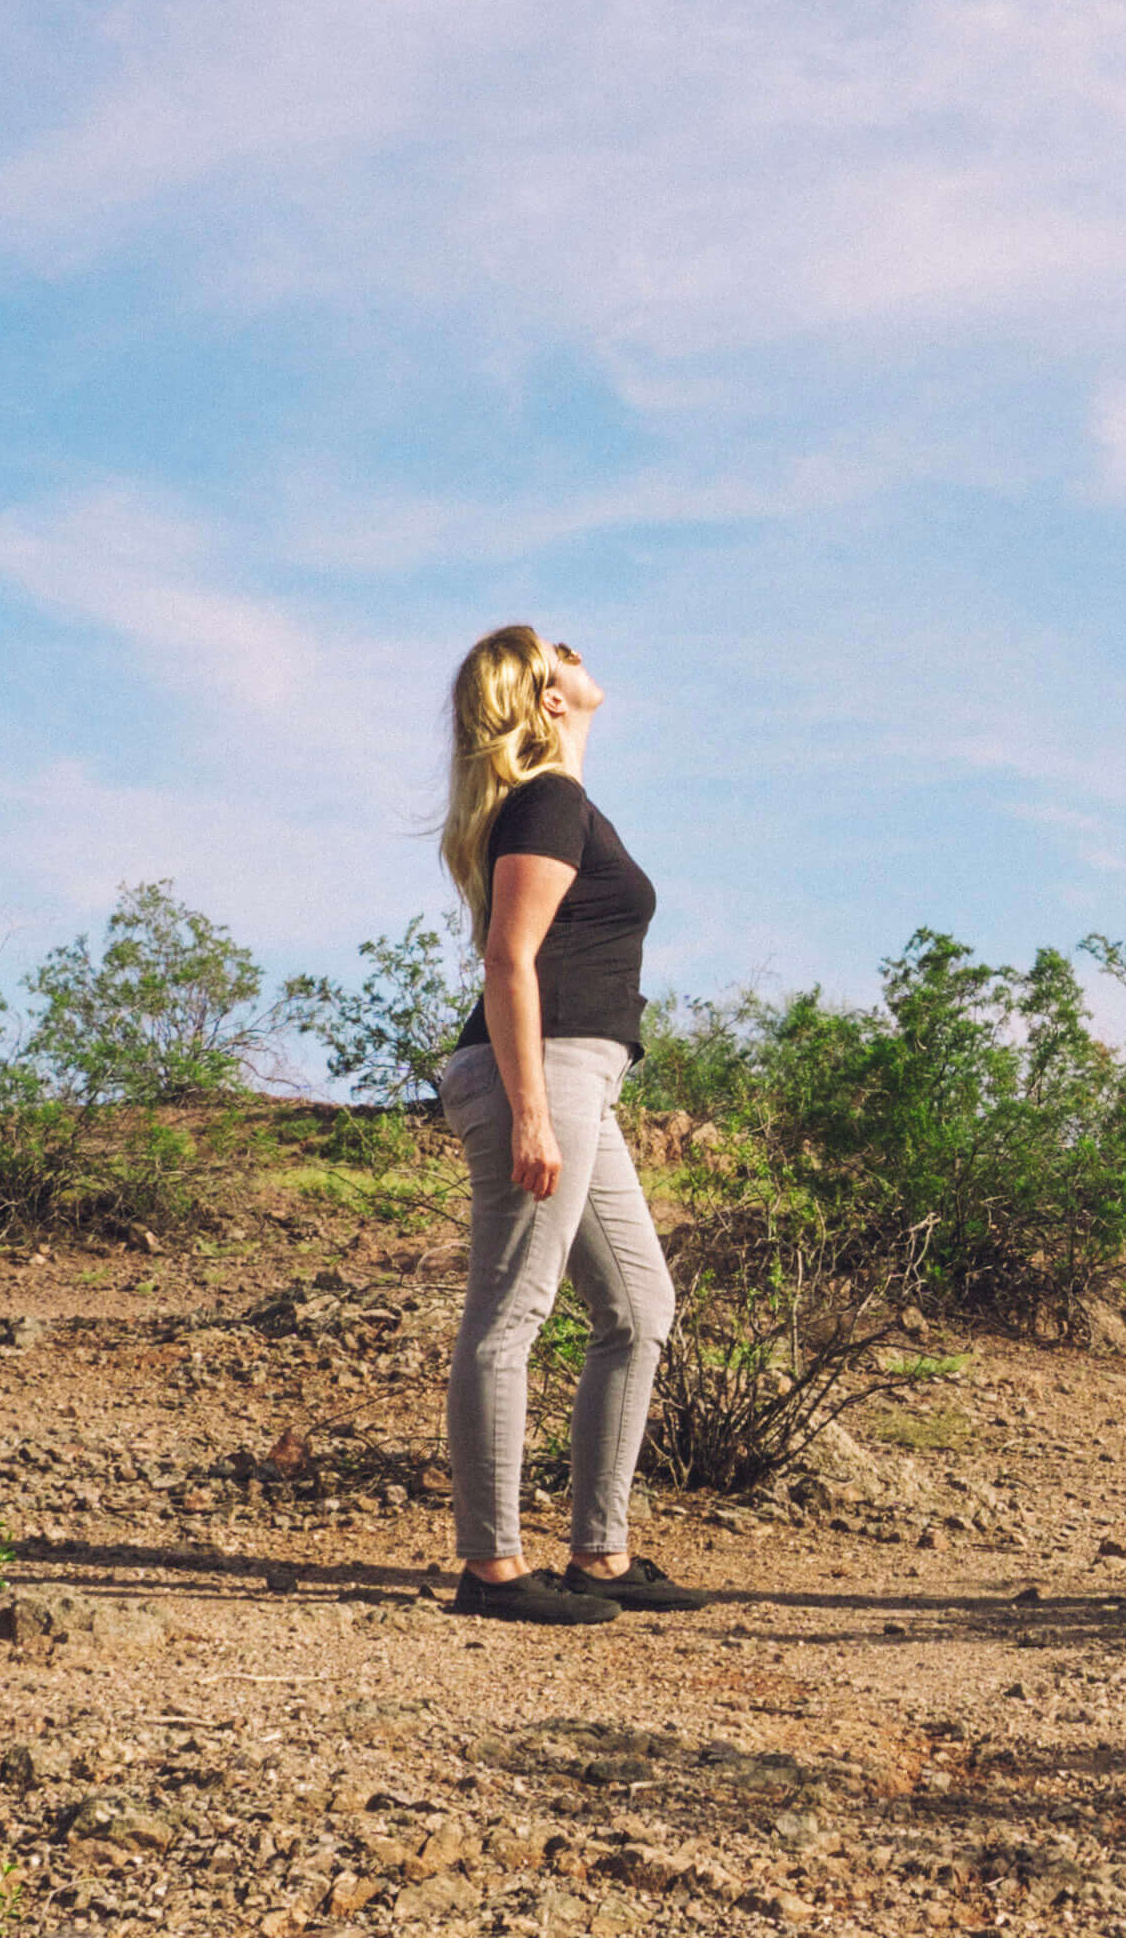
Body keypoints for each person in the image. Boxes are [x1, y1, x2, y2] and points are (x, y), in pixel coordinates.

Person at [429, 625, 700, 1623]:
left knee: (638, 1308)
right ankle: (492, 1570)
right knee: (510, 1314)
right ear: (546, 697)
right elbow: (509, 960)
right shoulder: (546, 800)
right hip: (536, 1074)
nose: (585, 653)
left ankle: (600, 1552)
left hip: (578, 1072)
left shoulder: (562, 801)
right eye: (563, 647)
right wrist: (532, 1114)